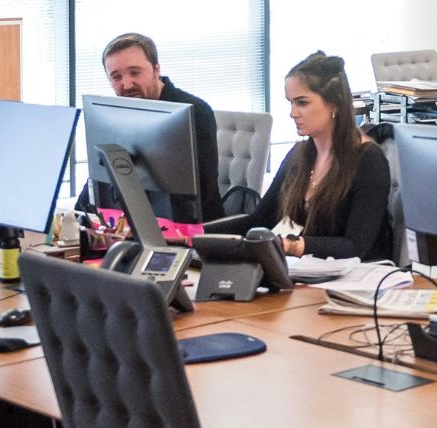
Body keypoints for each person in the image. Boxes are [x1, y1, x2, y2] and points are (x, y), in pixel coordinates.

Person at [244, 52, 392, 261]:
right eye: (291, 103)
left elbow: (355, 246)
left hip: (355, 280)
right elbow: (256, 221)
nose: (293, 113)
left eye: (302, 103)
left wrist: (290, 245)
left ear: (334, 105)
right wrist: (189, 234)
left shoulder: (369, 160)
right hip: (305, 274)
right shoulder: (299, 155)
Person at [81, 33, 223, 224]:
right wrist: (79, 214)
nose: (127, 84)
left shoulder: (194, 112)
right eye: (116, 77)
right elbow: (102, 177)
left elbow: (200, 192)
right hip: (135, 225)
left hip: (195, 233)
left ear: (156, 69)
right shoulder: (117, 115)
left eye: (135, 72)